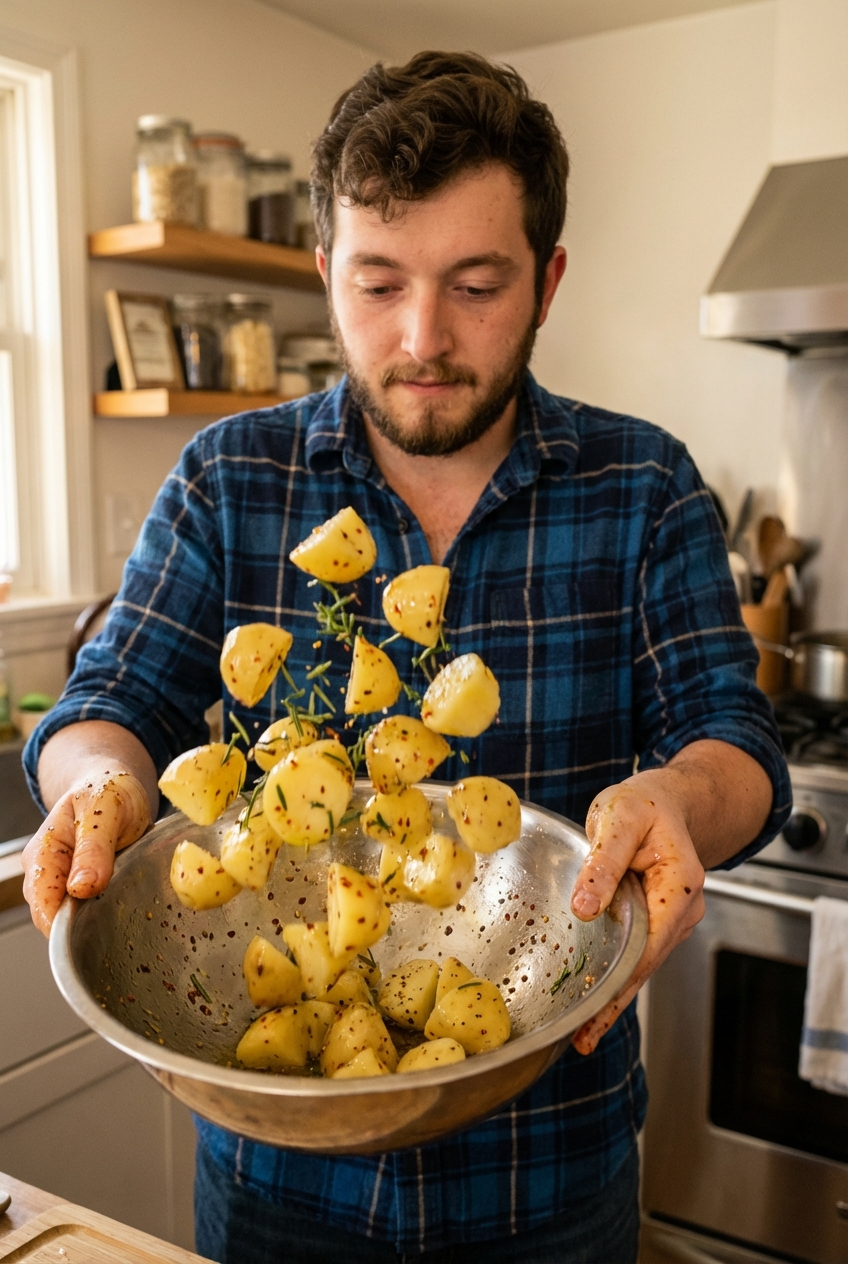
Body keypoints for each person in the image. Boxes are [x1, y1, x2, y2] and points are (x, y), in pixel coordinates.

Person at [22, 51, 790, 1264]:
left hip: (551, 1171)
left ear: (546, 280)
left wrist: (677, 798)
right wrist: (99, 786)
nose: (421, 338)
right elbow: (108, 702)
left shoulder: (642, 485)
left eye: (474, 285)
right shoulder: (230, 479)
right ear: (325, 273)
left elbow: (732, 741)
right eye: (377, 284)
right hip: (280, 1189)